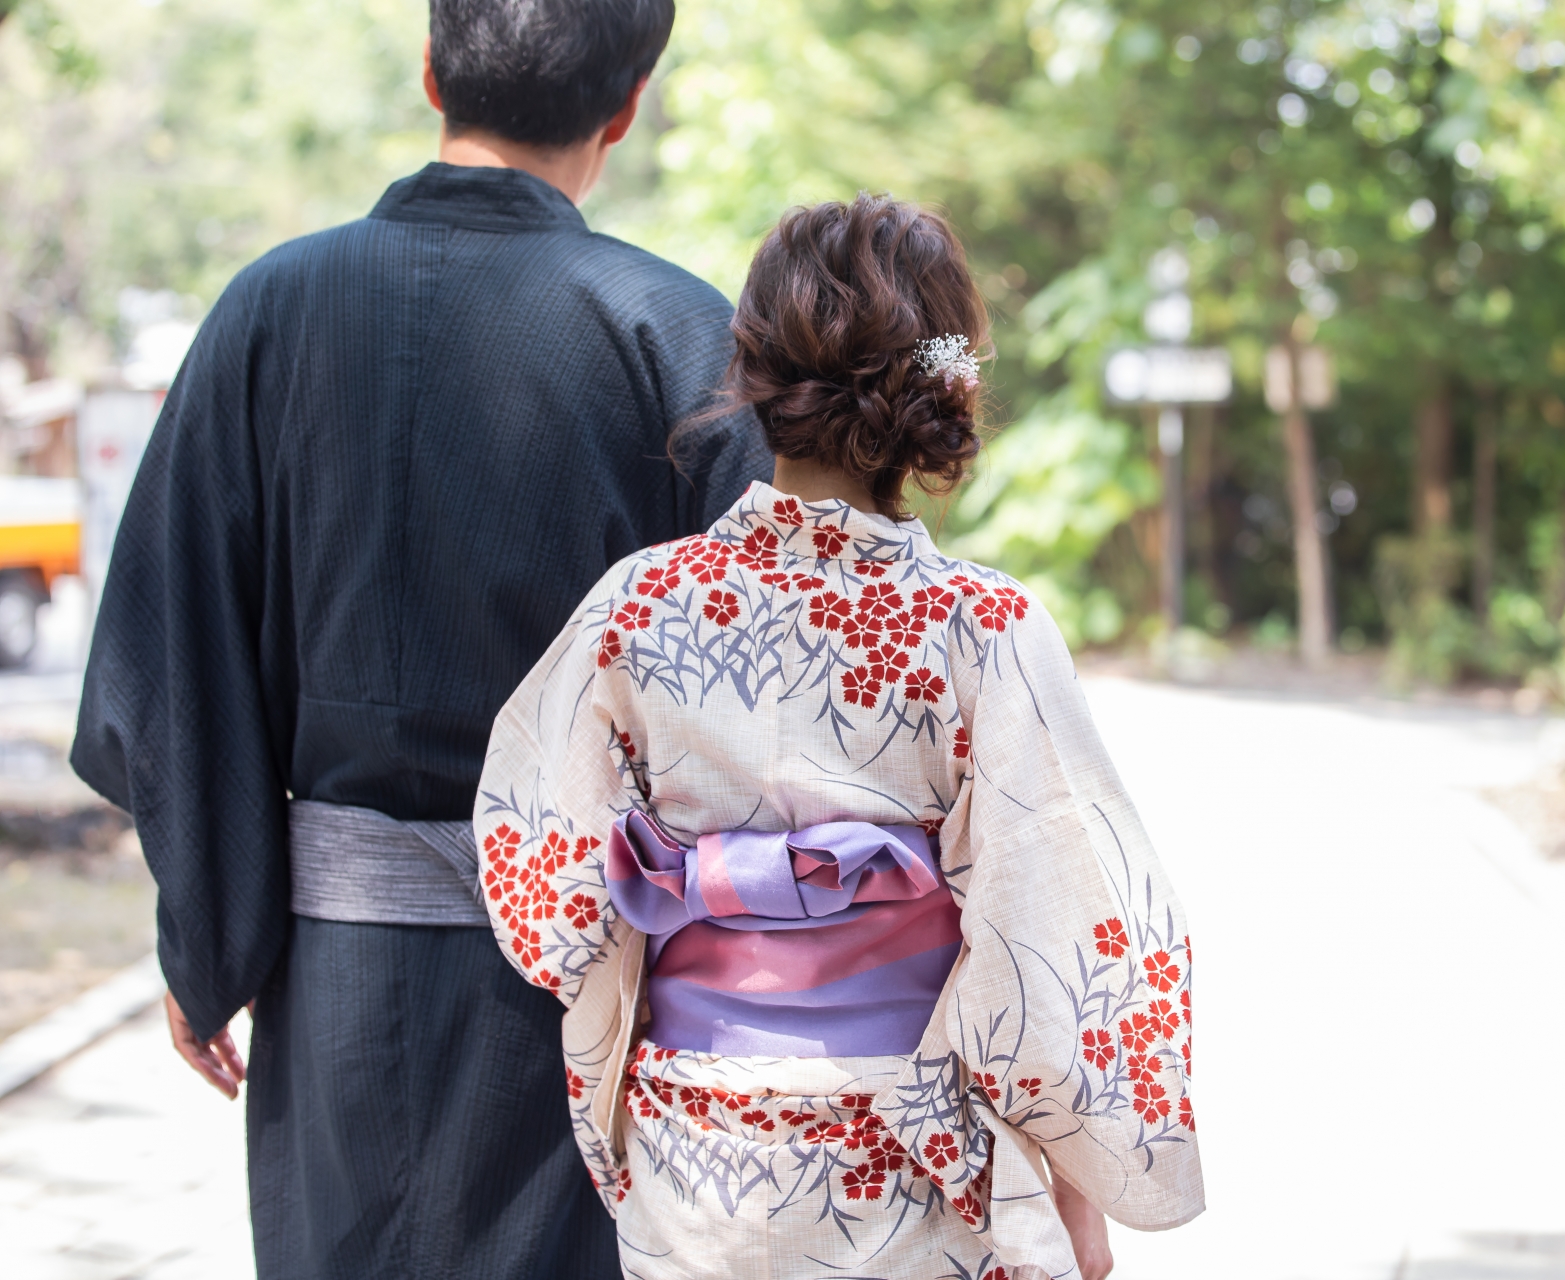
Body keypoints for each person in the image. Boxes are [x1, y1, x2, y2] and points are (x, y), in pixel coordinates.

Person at [68, 0, 770, 1274]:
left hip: (339, 986)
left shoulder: (267, 312)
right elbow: (770, 713)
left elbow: (171, 653)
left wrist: (208, 933)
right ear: (629, 103)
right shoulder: (676, 338)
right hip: (595, 994)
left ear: (433, 72)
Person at [476, 194, 1204, 1280]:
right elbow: (1059, 929)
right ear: (945, 388)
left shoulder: (637, 605)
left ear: (750, 372)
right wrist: (1073, 1169)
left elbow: (546, 896)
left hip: (694, 1140)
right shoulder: (980, 626)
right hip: (910, 1135)